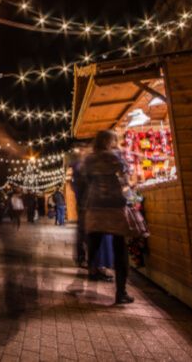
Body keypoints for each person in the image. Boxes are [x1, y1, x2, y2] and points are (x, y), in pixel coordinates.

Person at [82, 130, 134, 304]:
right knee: (120, 248)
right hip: (114, 205)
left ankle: (92, 276)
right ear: (109, 141)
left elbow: (86, 179)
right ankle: (121, 293)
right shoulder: (114, 156)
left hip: (95, 205)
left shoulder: (89, 159)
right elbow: (126, 175)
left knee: (94, 243)